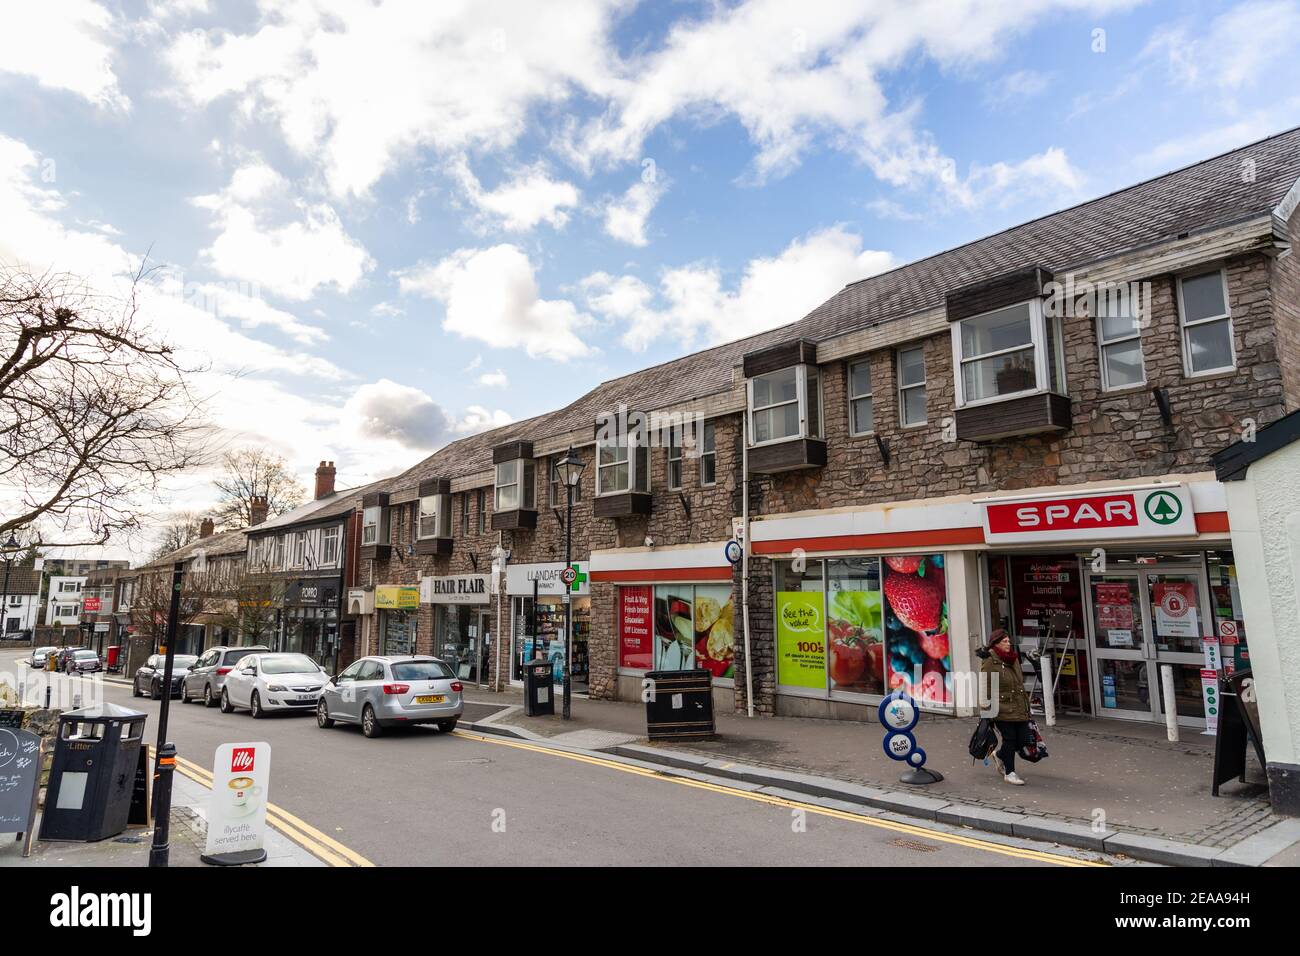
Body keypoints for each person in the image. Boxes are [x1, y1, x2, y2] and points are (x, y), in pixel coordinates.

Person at [978, 629, 1034, 786]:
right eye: (1004, 641)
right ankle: (1010, 773)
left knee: (1023, 739)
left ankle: (1000, 755)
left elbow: (1019, 682)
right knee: (1009, 739)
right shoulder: (989, 660)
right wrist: (985, 710)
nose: (1008, 644)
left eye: (1009, 641)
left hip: (1018, 705)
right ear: (995, 644)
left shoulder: (1013, 659)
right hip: (1000, 708)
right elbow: (985, 687)